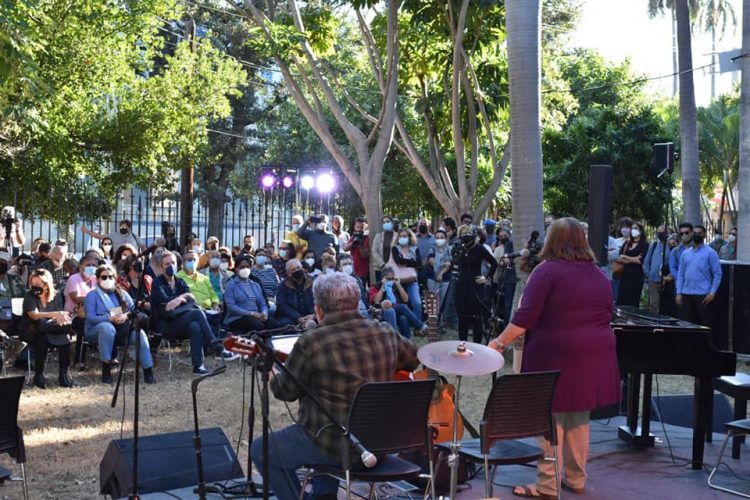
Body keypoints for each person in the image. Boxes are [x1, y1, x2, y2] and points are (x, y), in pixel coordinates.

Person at [251, 271, 419, 500]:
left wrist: (270, 370)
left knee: (261, 450)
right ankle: (324, 495)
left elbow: (285, 391)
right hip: (378, 444)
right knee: (326, 415)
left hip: (333, 446)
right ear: (357, 303)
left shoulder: (313, 342)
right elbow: (413, 360)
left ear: (318, 309)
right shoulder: (385, 331)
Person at [489, 217, 620, 499]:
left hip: (556, 353)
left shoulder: (546, 271)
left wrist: (498, 343)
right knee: (578, 415)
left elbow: (524, 317)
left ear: (552, 241)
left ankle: (547, 485)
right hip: (595, 353)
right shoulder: (598, 273)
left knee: (548, 419)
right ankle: (576, 478)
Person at [150, 251, 238, 374]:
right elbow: (167, 304)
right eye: (167, 264)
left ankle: (198, 366)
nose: (171, 266)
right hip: (165, 324)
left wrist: (181, 298)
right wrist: (181, 299)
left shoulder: (179, 281)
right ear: (161, 267)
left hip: (181, 320)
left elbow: (191, 299)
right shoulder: (157, 283)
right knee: (197, 313)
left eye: (173, 263)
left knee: (195, 326)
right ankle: (216, 346)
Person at [84, 265, 155, 384]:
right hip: (97, 330)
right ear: (97, 279)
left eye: (110, 276)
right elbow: (90, 318)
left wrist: (125, 316)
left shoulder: (122, 293)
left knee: (140, 334)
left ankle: (148, 371)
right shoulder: (92, 296)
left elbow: (133, 311)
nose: (107, 279)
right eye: (104, 277)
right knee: (107, 328)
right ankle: (106, 369)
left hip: (122, 329)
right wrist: (109, 318)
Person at [22, 269, 74, 388]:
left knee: (65, 338)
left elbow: (60, 316)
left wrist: (57, 317)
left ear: (46, 285)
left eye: (38, 285)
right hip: (32, 329)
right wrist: (54, 314)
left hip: (51, 328)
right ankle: (38, 374)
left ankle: (63, 373)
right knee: (42, 337)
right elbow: (34, 316)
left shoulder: (56, 296)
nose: (34, 287)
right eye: (32, 284)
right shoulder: (29, 296)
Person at [453, 225, 496, 343]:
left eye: (468, 232)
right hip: (461, 286)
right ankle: (462, 344)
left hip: (475, 286)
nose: (466, 235)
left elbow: (494, 263)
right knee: (462, 317)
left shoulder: (479, 248)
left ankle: (477, 346)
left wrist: (486, 278)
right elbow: (454, 262)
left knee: (476, 317)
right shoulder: (458, 248)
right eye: (463, 233)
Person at [676, 225, 722, 330]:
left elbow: (717, 274)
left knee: (705, 326)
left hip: (703, 296)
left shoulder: (711, 253)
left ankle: (707, 346)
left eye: (699, 233)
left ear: (704, 235)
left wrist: (712, 293)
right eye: (694, 232)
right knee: (685, 325)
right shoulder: (685, 253)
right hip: (686, 294)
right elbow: (681, 273)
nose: (696, 235)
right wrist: (678, 292)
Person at [223, 255, 280, 332]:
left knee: (274, 324)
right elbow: (232, 307)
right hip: (238, 317)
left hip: (256, 316)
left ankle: (267, 343)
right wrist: (251, 314)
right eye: (242, 267)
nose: (245, 269)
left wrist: (264, 313)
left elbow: (262, 303)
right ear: (236, 269)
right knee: (257, 325)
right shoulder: (231, 285)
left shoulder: (255, 284)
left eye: (247, 267)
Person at [371, 267, 428, 338]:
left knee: (403, 318)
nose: (391, 280)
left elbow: (406, 299)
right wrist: (383, 286)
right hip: (384, 312)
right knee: (402, 306)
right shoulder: (376, 287)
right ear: (383, 278)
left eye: (392, 278)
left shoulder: (396, 285)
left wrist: (398, 285)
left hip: (397, 312)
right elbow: (376, 301)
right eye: (388, 279)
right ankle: (421, 326)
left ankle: (407, 342)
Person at [64, 255, 98, 368]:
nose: (92, 267)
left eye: (94, 265)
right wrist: (94, 298)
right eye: (88, 265)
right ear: (80, 267)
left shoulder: (96, 279)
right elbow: (76, 298)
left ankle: (110, 357)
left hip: (93, 313)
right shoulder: (74, 279)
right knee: (83, 325)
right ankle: (79, 360)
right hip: (73, 315)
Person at [387, 228, 423, 321]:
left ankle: (418, 324)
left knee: (417, 302)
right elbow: (398, 260)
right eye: (401, 236)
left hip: (412, 279)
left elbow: (419, 262)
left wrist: (405, 262)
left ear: (410, 237)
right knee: (402, 303)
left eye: (405, 236)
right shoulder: (395, 248)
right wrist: (411, 261)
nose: (403, 238)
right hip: (399, 280)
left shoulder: (415, 249)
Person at [615, 222, 648, 307]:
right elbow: (619, 258)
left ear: (641, 231)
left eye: (636, 228)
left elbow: (640, 261)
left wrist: (625, 257)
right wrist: (633, 259)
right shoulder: (627, 243)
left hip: (636, 277)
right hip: (624, 276)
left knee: (632, 302)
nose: (633, 230)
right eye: (632, 228)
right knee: (621, 301)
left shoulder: (645, 245)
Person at [275, 259, 315, 327]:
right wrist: (297, 317)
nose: (297, 271)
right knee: (285, 324)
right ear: (288, 273)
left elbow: (322, 301)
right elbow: (282, 306)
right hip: (292, 317)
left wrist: (314, 315)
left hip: (312, 315)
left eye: (298, 268)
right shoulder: (283, 286)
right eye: (293, 270)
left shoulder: (313, 281)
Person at [642, 225, 669, 313]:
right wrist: (648, 274)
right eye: (659, 232)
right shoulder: (654, 245)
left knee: (666, 304)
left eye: (663, 232)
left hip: (667, 280)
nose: (661, 234)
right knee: (653, 304)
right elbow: (646, 261)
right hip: (653, 279)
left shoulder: (671, 245)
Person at [493, 227, 517, 324]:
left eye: (505, 236)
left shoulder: (514, 245)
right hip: (502, 279)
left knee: (510, 304)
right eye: (501, 236)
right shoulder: (499, 248)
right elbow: (498, 261)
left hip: (514, 279)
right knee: (503, 305)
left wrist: (509, 261)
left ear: (510, 236)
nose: (503, 238)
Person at [344, 217, 369, 285]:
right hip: (353, 268)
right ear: (354, 227)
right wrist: (353, 242)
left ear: (365, 227)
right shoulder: (353, 236)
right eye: (357, 227)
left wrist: (360, 245)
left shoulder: (366, 238)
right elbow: (345, 249)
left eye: (361, 227)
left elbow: (364, 256)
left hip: (362, 270)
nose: (359, 229)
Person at [371, 215, 396, 281]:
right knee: (381, 288)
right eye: (384, 222)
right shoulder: (378, 236)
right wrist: (382, 264)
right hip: (380, 268)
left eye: (387, 221)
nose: (385, 224)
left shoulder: (398, 236)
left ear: (392, 223)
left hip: (394, 268)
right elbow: (374, 251)